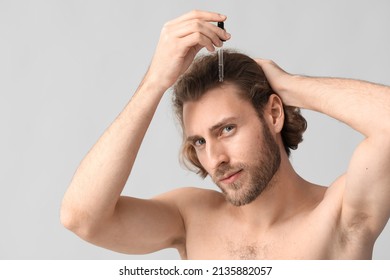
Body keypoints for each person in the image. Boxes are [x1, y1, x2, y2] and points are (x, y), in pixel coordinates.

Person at [60, 10, 390, 259]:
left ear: (273, 113)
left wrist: (290, 85)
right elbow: (82, 218)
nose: (216, 159)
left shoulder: (340, 213)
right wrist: (154, 83)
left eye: (227, 129)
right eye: (200, 141)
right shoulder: (190, 219)